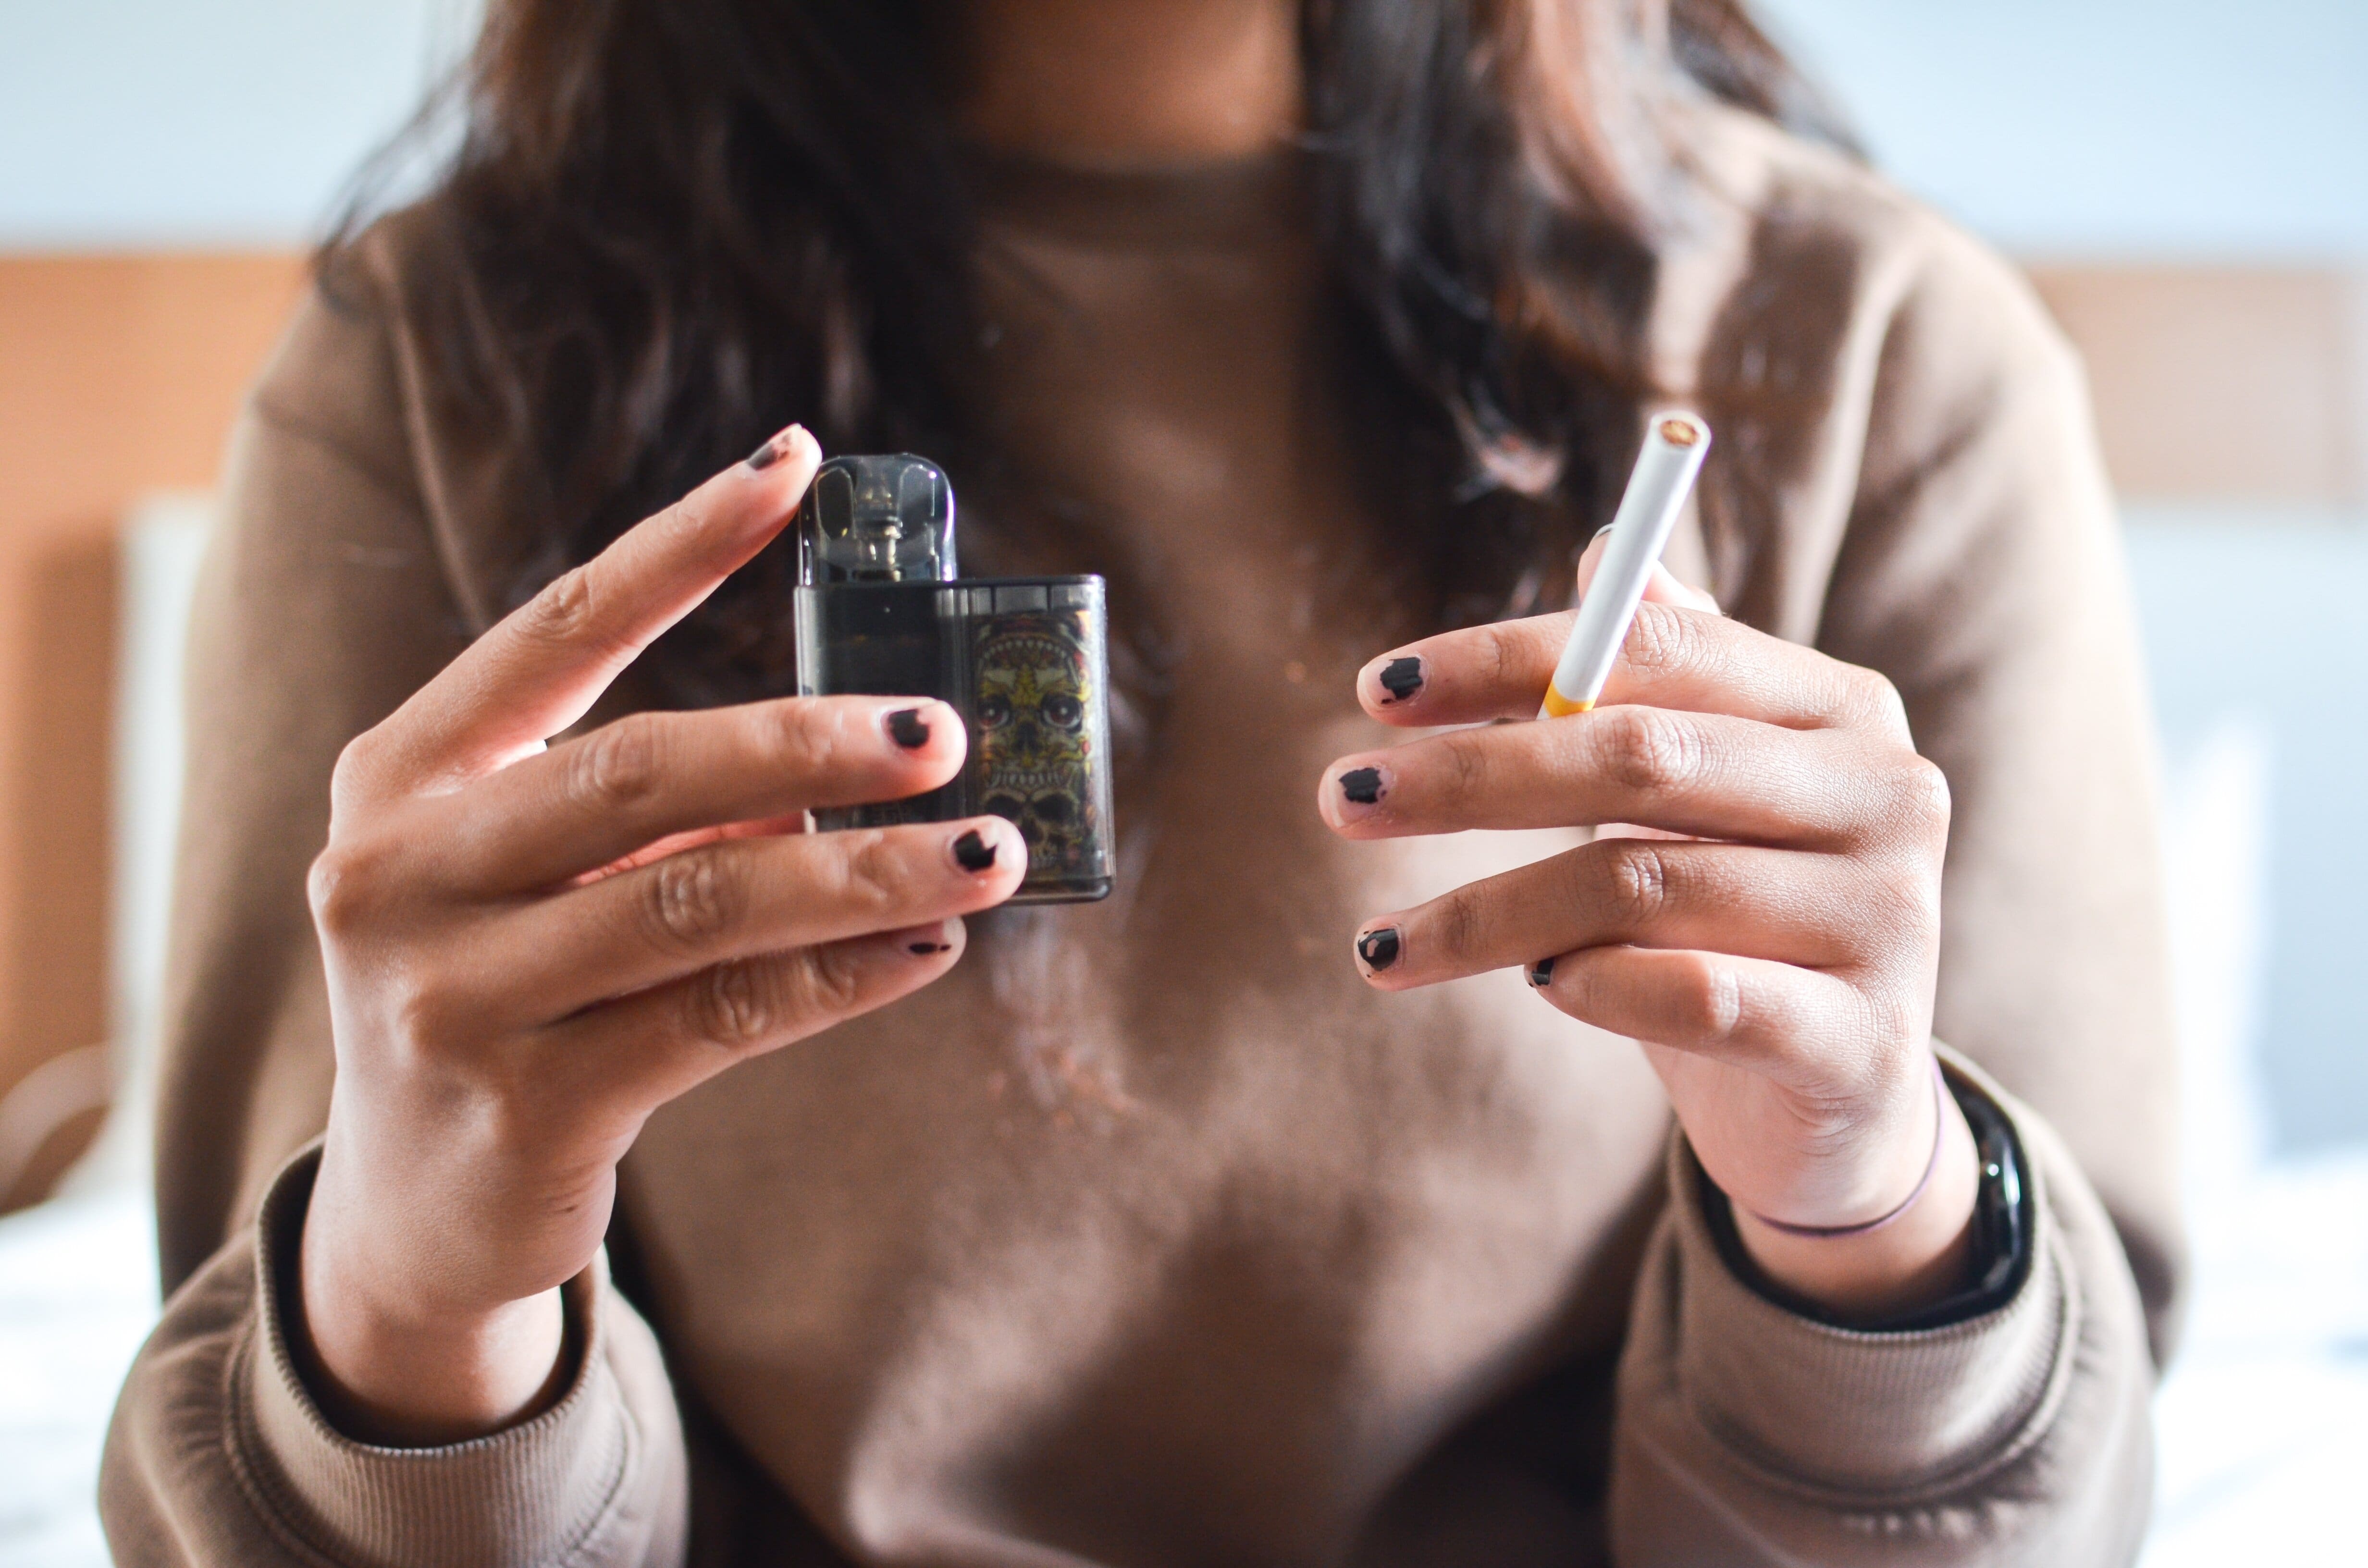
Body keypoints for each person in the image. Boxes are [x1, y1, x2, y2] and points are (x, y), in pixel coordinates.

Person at [100, 1, 2179, 1563]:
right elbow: (281, 1460)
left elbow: (2046, 1488)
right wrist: (423, 1305)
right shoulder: (436, 367)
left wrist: (1867, 1207)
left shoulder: (1878, 355)